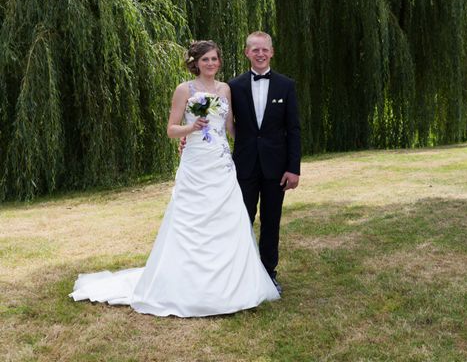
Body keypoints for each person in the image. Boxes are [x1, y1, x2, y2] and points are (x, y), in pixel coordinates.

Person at [69, 40, 280, 317]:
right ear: (195, 62)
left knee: (228, 217)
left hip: (220, 163)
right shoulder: (184, 89)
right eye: (205, 60)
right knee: (190, 219)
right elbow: (171, 129)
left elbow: (230, 128)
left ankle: (233, 285)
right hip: (195, 163)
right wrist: (191, 127)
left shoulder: (225, 89)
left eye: (214, 59)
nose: (210, 64)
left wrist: (256, 145)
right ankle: (185, 285)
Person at [228, 31, 301, 294]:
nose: (260, 54)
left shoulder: (286, 85)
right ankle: (241, 274)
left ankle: (269, 273)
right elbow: (221, 124)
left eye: (264, 50)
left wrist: (293, 168)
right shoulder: (233, 86)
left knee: (271, 221)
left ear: (271, 52)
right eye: (254, 49)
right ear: (246, 52)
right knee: (242, 219)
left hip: (276, 168)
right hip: (244, 165)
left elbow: (293, 129)